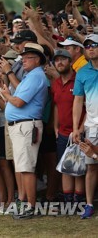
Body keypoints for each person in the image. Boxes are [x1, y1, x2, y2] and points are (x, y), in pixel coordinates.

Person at [0, 43, 48, 219]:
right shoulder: (31, 75)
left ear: (37, 60)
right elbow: (18, 96)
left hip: (26, 125)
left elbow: (19, 102)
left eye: (27, 58)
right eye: (23, 57)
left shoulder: (35, 76)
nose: (23, 60)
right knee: (23, 167)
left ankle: (30, 206)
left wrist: (6, 96)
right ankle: (26, 203)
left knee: (26, 168)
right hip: (21, 125)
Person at [51, 49, 85, 205]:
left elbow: (86, 106)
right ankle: (68, 201)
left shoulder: (78, 79)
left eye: (63, 59)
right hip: (63, 133)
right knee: (64, 167)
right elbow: (57, 106)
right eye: (57, 60)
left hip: (78, 132)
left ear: (70, 61)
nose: (59, 62)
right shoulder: (56, 83)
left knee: (78, 168)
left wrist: (80, 128)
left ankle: (78, 201)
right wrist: (55, 126)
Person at [72, 34, 98, 219]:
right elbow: (78, 100)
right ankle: (89, 204)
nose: (90, 48)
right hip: (92, 126)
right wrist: (76, 127)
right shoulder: (82, 72)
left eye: (94, 45)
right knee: (92, 166)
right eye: (87, 45)